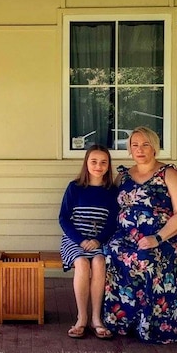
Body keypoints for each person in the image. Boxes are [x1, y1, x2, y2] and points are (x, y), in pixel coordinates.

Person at [103, 126, 177, 343]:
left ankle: (153, 326)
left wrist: (157, 238)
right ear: (129, 150)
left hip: (167, 238)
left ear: (154, 147)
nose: (140, 149)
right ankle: (122, 322)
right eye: (135, 145)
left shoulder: (169, 174)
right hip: (127, 237)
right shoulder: (123, 176)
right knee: (112, 252)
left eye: (145, 144)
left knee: (146, 259)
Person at [58, 145, 119, 339]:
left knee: (100, 262)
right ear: (86, 163)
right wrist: (81, 240)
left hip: (99, 240)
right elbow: (63, 218)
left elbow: (112, 222)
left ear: (108, 166)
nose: (98, 166)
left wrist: (98, 240)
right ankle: (81, 318)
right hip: (74, 239)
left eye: (103, 162)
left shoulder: (111, 192)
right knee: (82, 263)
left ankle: (96, 319)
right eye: (94, 161)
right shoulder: (75, 188)